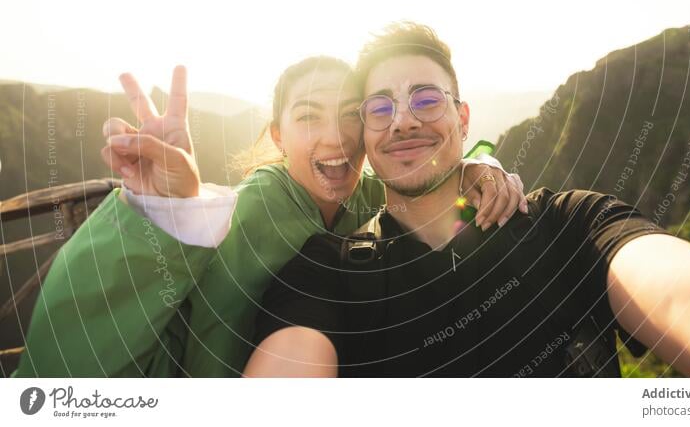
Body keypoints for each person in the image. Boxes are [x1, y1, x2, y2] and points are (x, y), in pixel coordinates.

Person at [245, 22, 690, 378]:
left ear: (463, 119)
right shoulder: (327, 272)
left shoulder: (569, 225)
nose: (405, 121)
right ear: (365, 134)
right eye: (381, 108)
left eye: (426, 99)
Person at [13, 56, 525, 378]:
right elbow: (208, 359)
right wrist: (162, 208)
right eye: (307, 117)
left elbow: (426, 197)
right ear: (277, 136)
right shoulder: (257, 212)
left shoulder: (359, 197)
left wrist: (480, 164)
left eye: (351, 114)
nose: (336, 137)